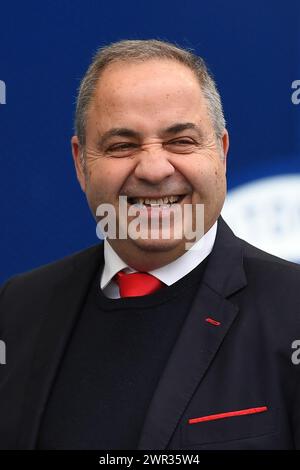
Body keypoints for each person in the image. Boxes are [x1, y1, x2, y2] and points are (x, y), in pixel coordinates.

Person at [0, 39, 299, 450]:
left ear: (222, 153)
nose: (155, 169)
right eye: (122, 146)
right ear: (81, 164)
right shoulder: (18, 308)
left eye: (181, 141)